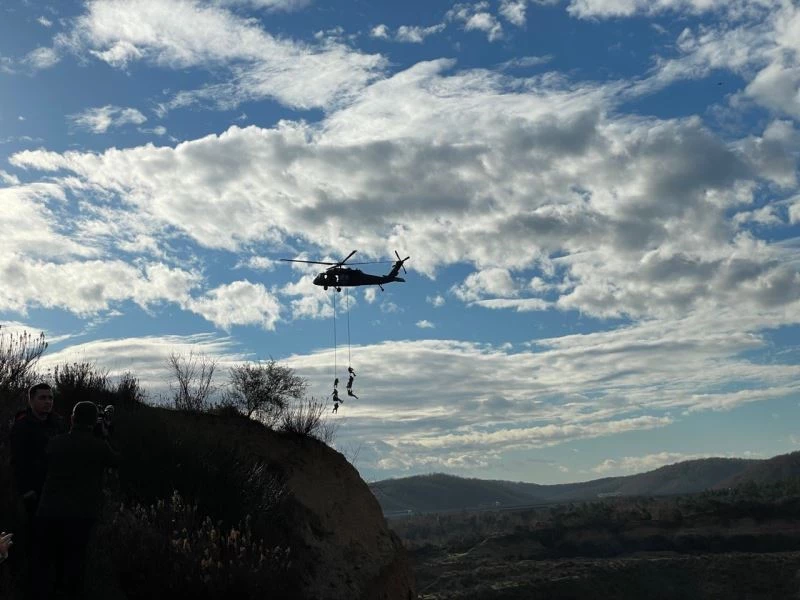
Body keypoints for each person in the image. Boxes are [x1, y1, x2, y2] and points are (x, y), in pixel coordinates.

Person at [33, 401, 119, 600]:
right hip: (81, 514)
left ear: (72, 419)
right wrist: (105, 436)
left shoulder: (55, 442)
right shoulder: (99, 446)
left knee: (46, 561)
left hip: (49, 511)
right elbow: (117, 462)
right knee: (76, 561)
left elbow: (42, 465)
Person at [10, 383, 65, 520]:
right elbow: (17, 460)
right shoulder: (22, 426)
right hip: (34, 490)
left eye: (50, 398)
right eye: (42, 398)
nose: (48, 402)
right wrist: (26, 490)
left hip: (57, 488)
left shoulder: (58, 423)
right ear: (31, 400)